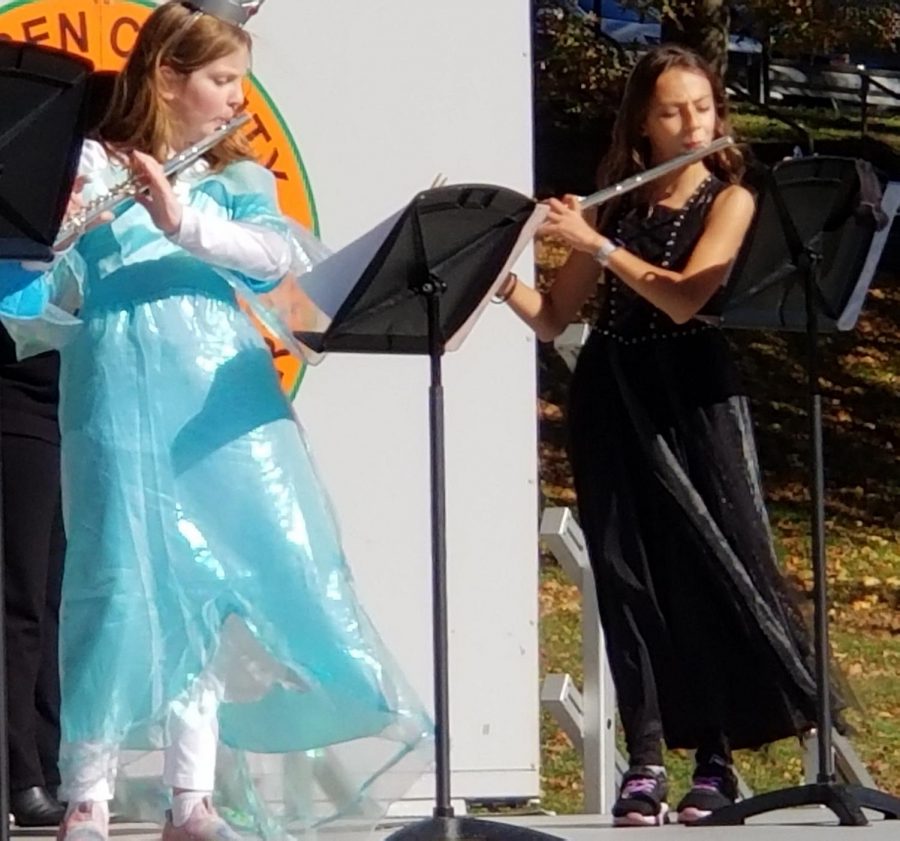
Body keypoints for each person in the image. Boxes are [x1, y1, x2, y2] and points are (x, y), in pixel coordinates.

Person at [0, 3, 430, 840]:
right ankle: (85, 790)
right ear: (167, 78)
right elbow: (51, 277)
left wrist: (180, 220)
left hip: (215, 389)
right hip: (117, 377)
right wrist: (55, 245)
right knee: (116, 574)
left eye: (240, 81)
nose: (237, 99)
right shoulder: (87, 159)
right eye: (222, 81)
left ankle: (189, 797)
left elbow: (276, 255)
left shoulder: (234, 174)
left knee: (213, 579)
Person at [496, 45, 826, 826]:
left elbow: (684, 300)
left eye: (702, 108)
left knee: (706, 573)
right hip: (614, 394)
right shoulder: (616, 206)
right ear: (641, 124)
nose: (691, 125)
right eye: (673, 112)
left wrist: (596, 245)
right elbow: (552, 320)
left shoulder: (731, 199)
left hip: (696, 396)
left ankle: (715, 760)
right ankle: (643, 759)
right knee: (625, 576)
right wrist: (494, 269)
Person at [1, 331, 66, 828]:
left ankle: (45, 764)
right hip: (15, 405)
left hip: (54, 414)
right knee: (19, 601)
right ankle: (20, 775)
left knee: (48, 599)